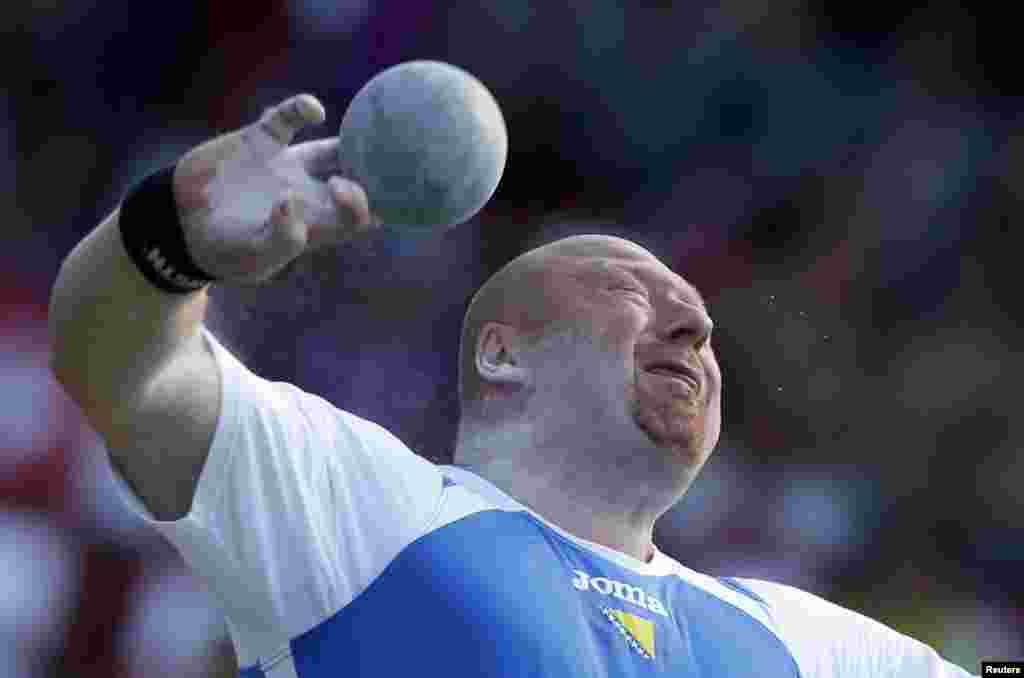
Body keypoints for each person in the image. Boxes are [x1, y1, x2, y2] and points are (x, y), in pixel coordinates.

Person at [49, 94, 976, 677]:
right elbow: (127, 369)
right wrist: (170, 239)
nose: (693, 328)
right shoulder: (372, 514)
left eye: (700, 320)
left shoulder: (799, 642)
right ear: (503, 353)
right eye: (629, 290)